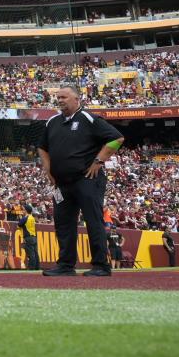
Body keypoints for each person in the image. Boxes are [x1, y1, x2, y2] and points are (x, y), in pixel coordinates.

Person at [37, 84, 124, 277]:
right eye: (58, 97)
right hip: (61, 183)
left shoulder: (88, 118)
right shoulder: (52, 121)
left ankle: (101, 265)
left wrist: (99, 161)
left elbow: (116, 138)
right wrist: (47, 168)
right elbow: (42, 147)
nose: (60, 100)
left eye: (64, 97)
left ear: (77, 99)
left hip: (87, 179)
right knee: (63, 224)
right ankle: (66, 266)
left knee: (93, 221)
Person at [18, 204, 40, 270]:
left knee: (31, 253)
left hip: (28, 237)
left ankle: (31, 267)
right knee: (35, 253)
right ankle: (37, 267)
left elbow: (19, 224)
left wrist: (21, 217)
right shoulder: (32, 218)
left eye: (23, 209)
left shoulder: (25, 218)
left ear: (26, 210)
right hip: (34, 237)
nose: (22, 211)